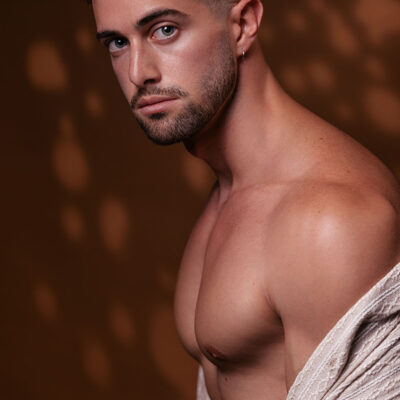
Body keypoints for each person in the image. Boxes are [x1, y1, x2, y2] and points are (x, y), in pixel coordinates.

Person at [89, 0, 400, 398]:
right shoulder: (232, 191)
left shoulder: (329, 223)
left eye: (165, 30)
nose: (138, 72)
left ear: (243, 24)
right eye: (117, 42)